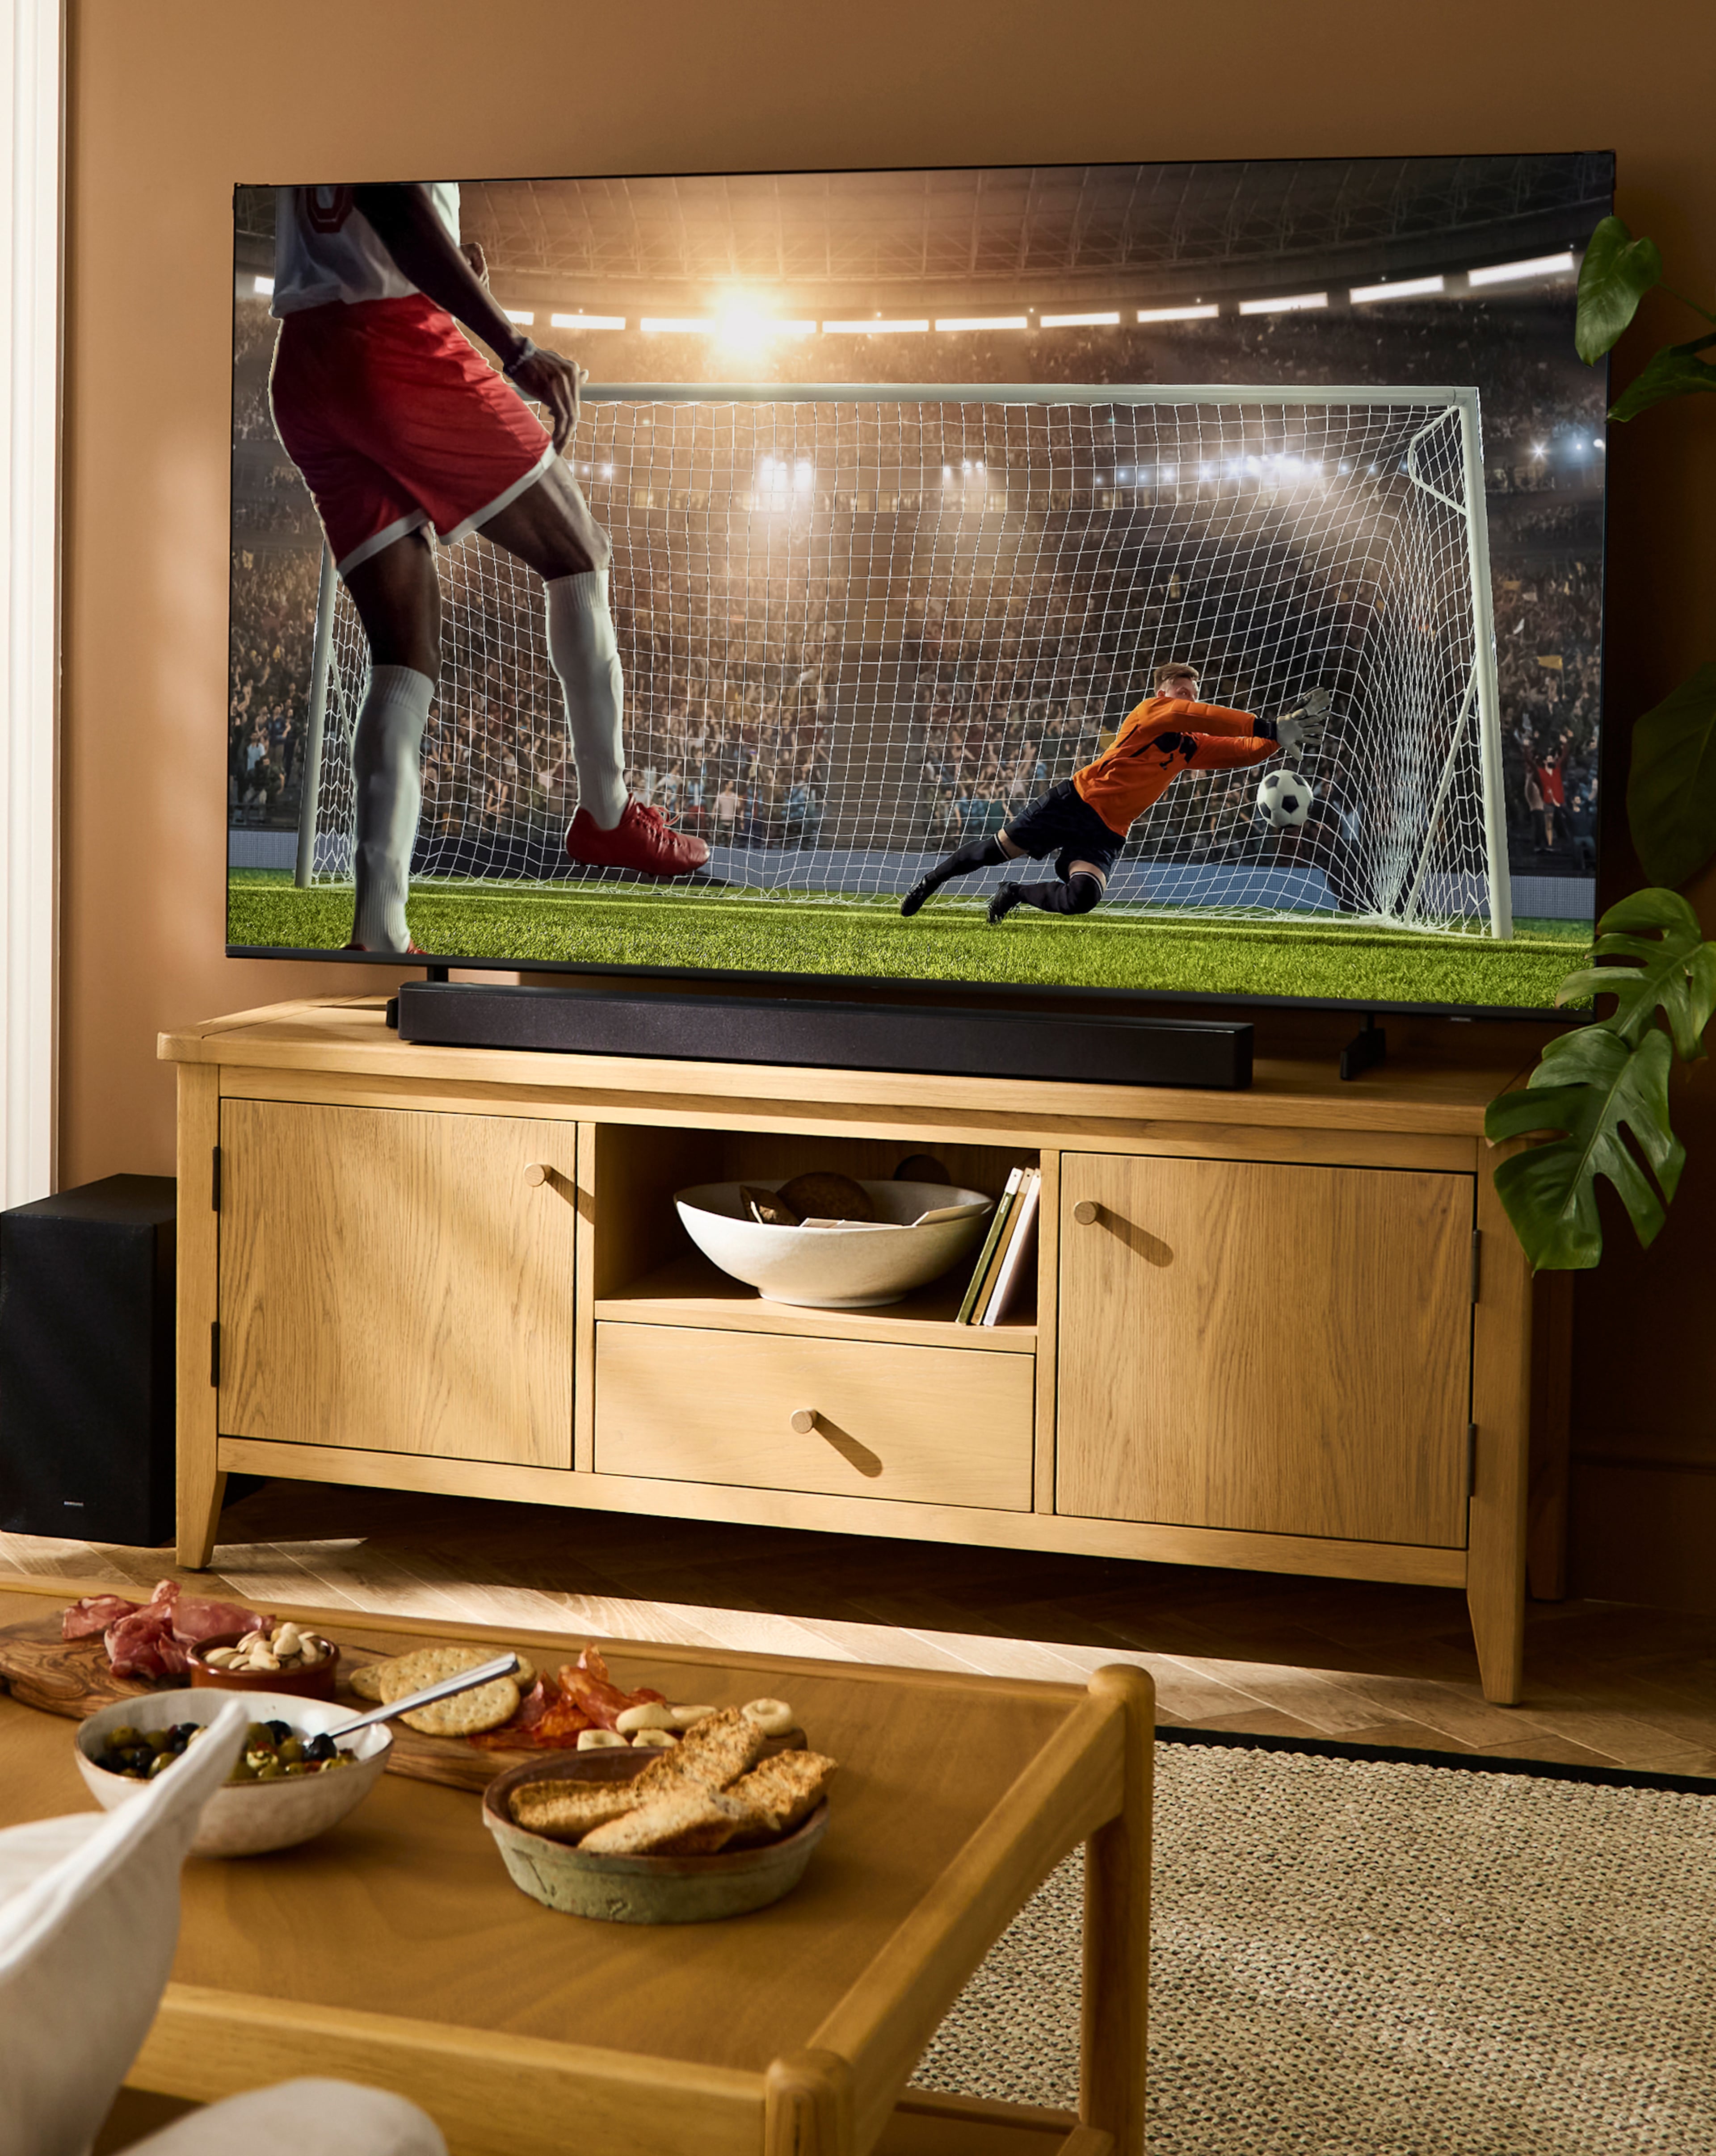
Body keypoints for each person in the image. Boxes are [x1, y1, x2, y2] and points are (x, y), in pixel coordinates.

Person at [267, 182, 708, 954]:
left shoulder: (310, 81)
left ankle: (378, 933)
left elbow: (366, 225)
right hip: (390, 343)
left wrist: (444, 264)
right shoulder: (400, 70)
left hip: (303, 364)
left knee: (403, 661)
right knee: (580, 555)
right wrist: (516, 347)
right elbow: (393, 204)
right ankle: (607, 816)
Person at [899, 662, 1324, 924]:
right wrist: (1268, 725)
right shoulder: (1152, 713)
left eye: (1195, 692)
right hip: (1075, 803)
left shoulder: (1188, 746)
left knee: (1082, 898)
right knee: (991, 852)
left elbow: (1238, 752)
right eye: (1182, 691)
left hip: (1108, 830)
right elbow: (1197, 715)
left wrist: (1281, 730)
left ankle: (1015, 893)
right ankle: (929, 882)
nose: (1189, 698)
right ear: (1162, 693)